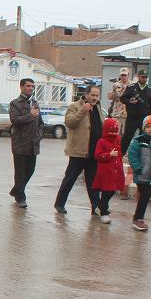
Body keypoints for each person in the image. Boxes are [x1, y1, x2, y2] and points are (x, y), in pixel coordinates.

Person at [53, 85, 102, 215]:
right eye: (92, 95)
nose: (95, 98)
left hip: (94, 152)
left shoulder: (98, 107)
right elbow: (70, 123)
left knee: (93, 182)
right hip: (79, 151)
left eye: (97, 95)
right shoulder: (75, 106)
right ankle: (59, 204)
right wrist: (82, 111)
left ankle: (96, 207)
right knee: (70, 179)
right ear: (86, 95)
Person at [8, 78, 42, 207]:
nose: (30, 88)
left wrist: (39, 135)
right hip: (20, 143)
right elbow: (15, 120)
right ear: (21, 87)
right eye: (28, 86)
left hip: (33, 143)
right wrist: (30, 116)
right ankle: (21, 197)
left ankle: (16, 190)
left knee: (30, 170)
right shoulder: (15, 103)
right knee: (20, 172)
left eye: (32, 86)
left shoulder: (35, 103)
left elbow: (40, 122)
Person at [92, 117, 125, 224]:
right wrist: (108, 155)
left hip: (115, 170)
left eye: (115, 131)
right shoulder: (101, 141)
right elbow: (97, 156)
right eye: (111, 130)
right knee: (106, 191)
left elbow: (119, 155)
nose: (113, 133)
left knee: (112, 191)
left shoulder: (118, 139)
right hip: (106, 171)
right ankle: (104, 212)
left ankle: (101, 206)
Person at [120, 70, 151, 153]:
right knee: (127, 137)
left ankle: (143, 153)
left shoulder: (149, 89)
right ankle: (121, 154)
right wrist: (129, 102)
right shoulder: (131, 87)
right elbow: (122, 98)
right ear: (138, 77)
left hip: (143, 118)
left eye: (146, 77)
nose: (144, 79)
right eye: (142, 77)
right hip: (132, 117)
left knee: (145, 137)